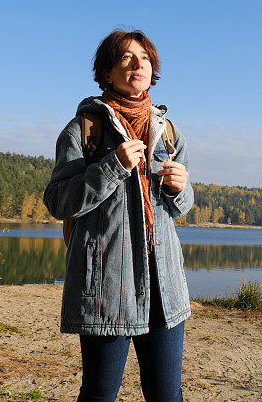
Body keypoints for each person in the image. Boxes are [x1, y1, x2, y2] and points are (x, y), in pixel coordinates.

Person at [43, 29, 194, 402]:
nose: (137, 64)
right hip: (107, 284)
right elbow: (58, 200)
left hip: (165, 286)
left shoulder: (169, 131)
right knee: (99, 394)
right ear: (107, 72)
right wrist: (112, 166)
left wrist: (181, 188)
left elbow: (179, 208)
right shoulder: (84, 129)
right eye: (125, 57)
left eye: (143, 58)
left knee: (167, 395)